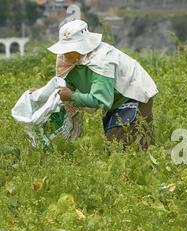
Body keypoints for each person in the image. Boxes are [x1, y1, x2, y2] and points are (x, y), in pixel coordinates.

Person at [37, 20, 158, 149]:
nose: (67, 54)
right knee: (115, 141)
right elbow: (64, 86)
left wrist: (72, 96)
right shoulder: (69, 59)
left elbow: (100, 100)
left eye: (72, 50)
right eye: (66, 50)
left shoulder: (101, 61)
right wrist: (42, 93)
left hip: (135, 93)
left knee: (128, 142)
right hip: (114, 98)